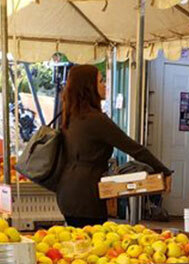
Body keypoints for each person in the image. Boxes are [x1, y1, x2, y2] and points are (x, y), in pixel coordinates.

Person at [56, 64, 170, 227]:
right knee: (93, 245)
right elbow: (135, 149)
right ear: (89, 87)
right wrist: (164, 171)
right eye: (101, 81)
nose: (105, 86)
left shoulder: (70, 117)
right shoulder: (96, 120)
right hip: (87, 196)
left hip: (67, 191)